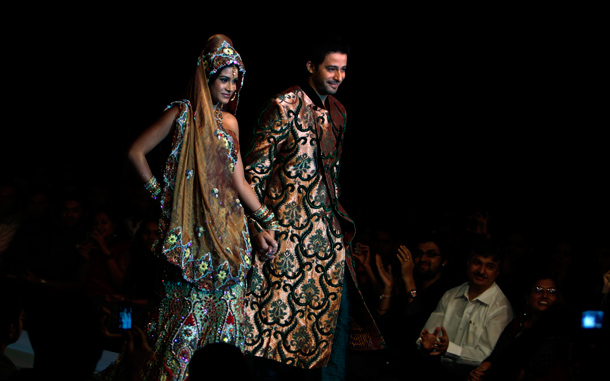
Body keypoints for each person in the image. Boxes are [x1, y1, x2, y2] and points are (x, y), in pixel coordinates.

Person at [101, 34, 277, 381]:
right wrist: (162, 197)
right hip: (189, 241)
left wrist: (267, 220)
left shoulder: (230, 124)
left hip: (229, 241)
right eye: (224, 79)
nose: (231, 87)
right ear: (207, 76)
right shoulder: (182, 114)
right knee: (180, 325)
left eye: (235, 80)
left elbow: (239, 182)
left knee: (225, 327)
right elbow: (136, 152)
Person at [243, 35, 383, 380]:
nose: (338, 76)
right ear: (311, 67)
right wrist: (256, 227)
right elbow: (253, 173)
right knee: (269, 331)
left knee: (325, 330)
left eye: (344, 70)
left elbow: (332, 177)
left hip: (325, 242)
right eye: (331, 68)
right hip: (282, 238)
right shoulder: (283, 105)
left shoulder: (338, 112)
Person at [416, 238, 514, 379]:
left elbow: (486, 356)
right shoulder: (451, 295)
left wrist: (449, 348)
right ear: (468, 264)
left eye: (489, 266)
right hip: (438, 371)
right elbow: (425, 338)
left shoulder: (501, 308)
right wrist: (426, 344)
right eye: (477, 263)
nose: (481, 271)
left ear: (497, 272)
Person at [467, 274, 570, 381]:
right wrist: (479, 371)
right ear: (528, 297)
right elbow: (496, 356)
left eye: (551, 291)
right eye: (538, 290)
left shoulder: (559, 332)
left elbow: (527, 372)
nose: (545, 295)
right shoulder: (519, 323)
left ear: (557, 298)